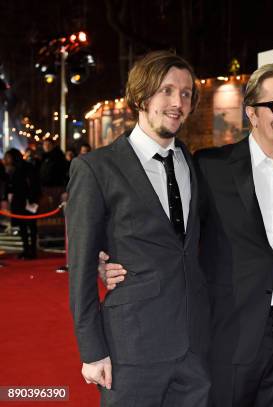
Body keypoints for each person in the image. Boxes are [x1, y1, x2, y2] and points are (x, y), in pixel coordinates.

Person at [102, 63, 273, 406]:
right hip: (226, 335)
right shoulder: (210, 166)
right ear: (252, 112)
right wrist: (108, 257)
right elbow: (167, 230)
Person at [66, 50, 210, 406]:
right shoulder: (96, 168)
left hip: (194, 346)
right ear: (141, 96)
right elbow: (81, 268)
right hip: (132, 346)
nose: (178, 101)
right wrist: (91, 350)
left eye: (186, 93)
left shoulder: (190, 162)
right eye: (166, 90)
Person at [2, 148, 41, 259]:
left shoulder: (26, 167)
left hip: (27, 200)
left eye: (8, 157)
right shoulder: (11, 169)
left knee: (31, 226)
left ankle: (32, 251)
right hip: (18, 201)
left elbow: (33, 183)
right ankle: (25, 249)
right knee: (22, 226)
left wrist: (32, 199)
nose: (6, 159)